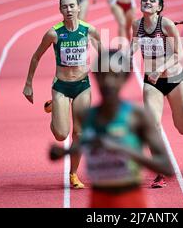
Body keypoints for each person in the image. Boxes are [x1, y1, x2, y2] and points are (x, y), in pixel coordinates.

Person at [49, 49, 174, 207]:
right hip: (98, 200)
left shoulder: (138, 116)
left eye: (115, 75)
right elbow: (93, 142)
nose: (108, 81)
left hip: (131, 199)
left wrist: (123, 149)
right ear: (95, 76)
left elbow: (166, 167)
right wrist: (64, 152)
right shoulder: (86, 116)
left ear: (125, 78)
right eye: (103, 75)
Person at [23, 0, 102, 189]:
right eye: (64, 7)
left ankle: (73, 174)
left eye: (71, 6)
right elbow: (35, 57)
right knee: (61, 134)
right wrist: (28, 84)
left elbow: (103, 54)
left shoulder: (89, 30)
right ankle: (54, 111)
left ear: (78, 8)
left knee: (80, 133)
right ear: (60, 10)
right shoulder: (54, 33)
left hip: (82, 85)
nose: (68, 10)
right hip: (61, 86)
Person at [130, 0, 183, 188]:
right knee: (152, 124)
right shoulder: (136, 24)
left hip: (174, 78)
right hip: (152, 82)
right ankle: (161, 171)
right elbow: (134, 45)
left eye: (152, 0)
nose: (147, 2)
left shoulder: (166, 24)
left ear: (159, 7)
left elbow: (178, 54)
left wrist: (160, 69)